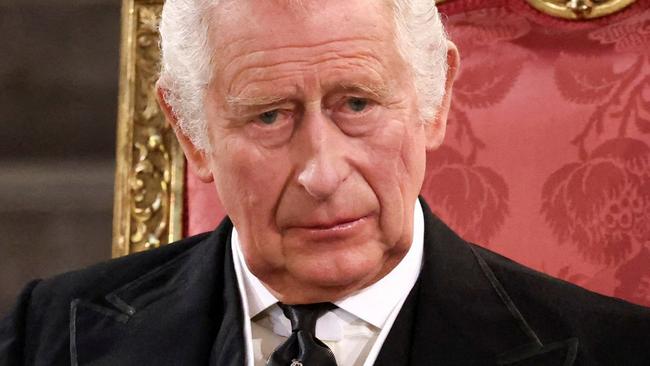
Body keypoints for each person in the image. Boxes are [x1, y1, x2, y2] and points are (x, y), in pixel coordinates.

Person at [1, 0, 649, 365]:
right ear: (193, 133)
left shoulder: (615, 353)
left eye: (357, 105)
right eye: (269, 115)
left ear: (437, 97)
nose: (321, 171)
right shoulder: (46, 337)